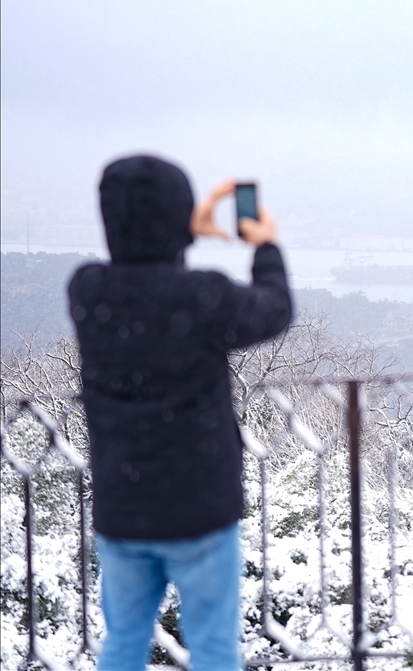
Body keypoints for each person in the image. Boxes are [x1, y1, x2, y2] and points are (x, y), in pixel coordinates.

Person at [68, 155, 292, 670]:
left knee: (123, 642)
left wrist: (173, 231)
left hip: (122, 509)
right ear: (180, 222)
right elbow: (275, 309)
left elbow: (145, 281)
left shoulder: (87, 290)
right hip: (200, 510)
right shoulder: (202, 296)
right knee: (213, 646)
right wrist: (264, 245)